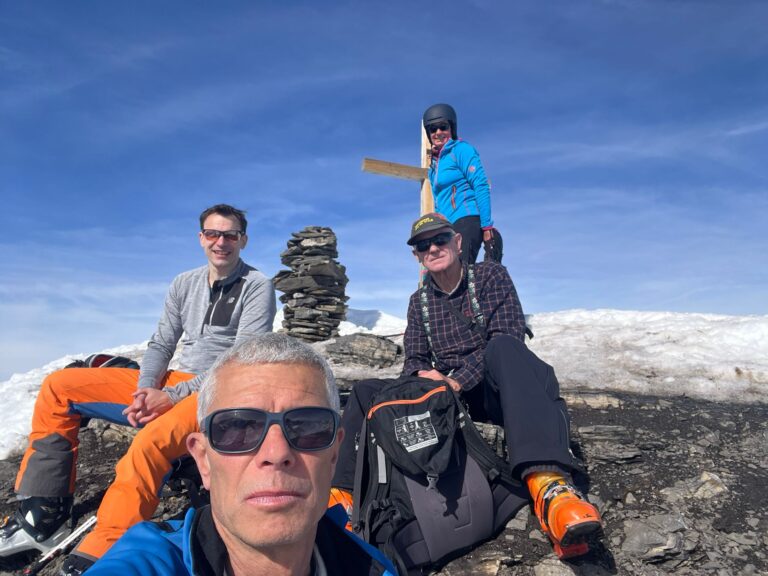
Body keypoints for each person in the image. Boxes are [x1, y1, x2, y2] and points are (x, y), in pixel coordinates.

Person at [0, 204, 276, 574]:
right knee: (59, 387)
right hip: (174, 382)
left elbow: (239, 361)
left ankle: (104, 548)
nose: (220, 242)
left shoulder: (257, 286)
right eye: (213, 234)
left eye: (230, 235)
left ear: (243, 240)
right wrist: (145, 390)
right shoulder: (184, 283)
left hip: (221, 390)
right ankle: (44, 514)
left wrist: (172, 397)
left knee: (151, 442)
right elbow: (161, 344)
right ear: (201, 238)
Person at [329, 213, 603, 560]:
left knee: (504, 348)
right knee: (365, 392)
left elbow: (507, 334)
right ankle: (341, 499)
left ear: (458, 243)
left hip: (495, 389)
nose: (432, 248)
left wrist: (457, 380)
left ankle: (549, 486)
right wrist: (426, 379)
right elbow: (414, 358)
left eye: (440, 239)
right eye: (422, 245)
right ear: (416, 255)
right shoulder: (419, 301)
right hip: (446, 400)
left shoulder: (490, 276)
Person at [86, 333, 397, 576]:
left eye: (307, 427)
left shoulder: (372, 568)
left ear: (334, 456)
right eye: (237, 428)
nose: (276, 453)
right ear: (203, 461)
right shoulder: (146, 565)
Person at [422, 103, 501, 264]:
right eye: (433, 129)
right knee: (443, 273)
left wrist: (487, 227)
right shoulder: (434, 167)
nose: (438, 132)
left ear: (452, 128)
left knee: (459, 269)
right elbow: (438, 203)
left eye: (443, 127)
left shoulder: (461, 150)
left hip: (466, 218)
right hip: (448, 227)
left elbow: (480, 184)